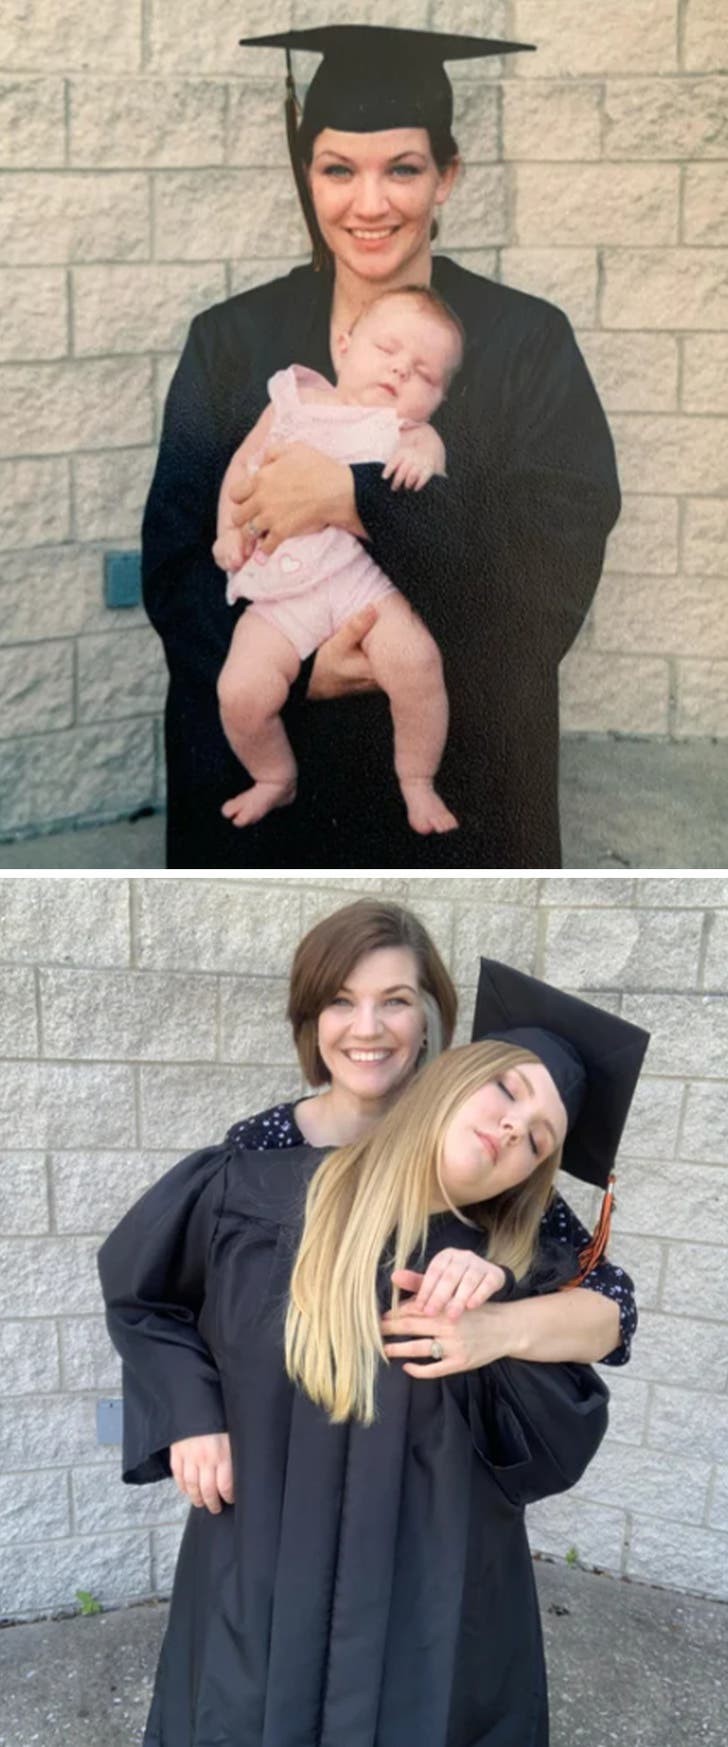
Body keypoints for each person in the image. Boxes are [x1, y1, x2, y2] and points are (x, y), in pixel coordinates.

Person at [97, 961, 649, 1747]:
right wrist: (189, 1414)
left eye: (539, 1139)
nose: (512, 1129)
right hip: (262, 1564)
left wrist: (498, 1323)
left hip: (433, 1598)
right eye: (508, 1092)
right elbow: (142, 1292)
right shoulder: (262, 1184)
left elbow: (614, 1311)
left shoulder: (522, 1247)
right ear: (456, 1072)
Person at [141, 24, 621, 869]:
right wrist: (298, 671)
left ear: (448, 177)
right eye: (337, 170)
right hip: (277, 767)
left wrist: (352, 501)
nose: (370, 205)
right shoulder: (231, 341)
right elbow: (176, 562)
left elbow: (553, 572)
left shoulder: (525, 344)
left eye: (403, 168)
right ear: (307, 175)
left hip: (457, 767)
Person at [214, 286, 463, 835]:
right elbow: (242, 465)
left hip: (361, 585)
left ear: (438, 399)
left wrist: (424, 459)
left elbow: (432, 465)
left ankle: (418, 780)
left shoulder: (409, 432)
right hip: (279, 589)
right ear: (344, 346)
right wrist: (227, 531)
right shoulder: (293, 401)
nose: (400, 371)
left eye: (423, 374)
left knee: (417, 662)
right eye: (388, 350)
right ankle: (274, 776)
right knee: (240, 690)